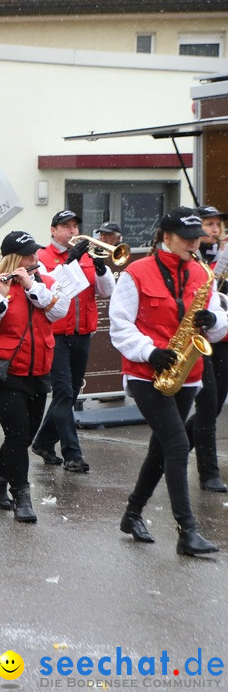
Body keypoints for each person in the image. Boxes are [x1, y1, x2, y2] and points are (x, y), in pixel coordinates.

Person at [109, 208, 225, 555]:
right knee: (176, 445)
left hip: (187, 373)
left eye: (196, 239)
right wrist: (150, 351)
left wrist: (213, 321)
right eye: (187, 238)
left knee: (161, 448)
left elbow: (219, 321)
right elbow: (120, 324)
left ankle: (132, 514)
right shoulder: (137, 272)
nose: (194, 244)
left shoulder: (202, 273)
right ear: (166, 237)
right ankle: (187, 531)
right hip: (147, 372)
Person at [0, 231, 70, 523]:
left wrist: (32, 286)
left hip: (38, 373)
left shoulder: (44, 282)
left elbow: (59, 311)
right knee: (17, 435)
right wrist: (1, 296)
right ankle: (22, 495)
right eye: (28, 256)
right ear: (13, 258)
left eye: (35, 254)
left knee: (22, 438)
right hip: (3, 374)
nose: (35, 259)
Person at [30, 210, 115, 473]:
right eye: (66, 226)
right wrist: (69, 261)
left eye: (75, 226)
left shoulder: (88, 256)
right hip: (55, 334)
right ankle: (72, 454)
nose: (72, 232)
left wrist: (100, 269)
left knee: (72, 391)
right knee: (64, 393)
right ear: (53, 230)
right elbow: (52, 290)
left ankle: (43, 442)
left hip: (82, 333)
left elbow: (107, 291)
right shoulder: (41, 259)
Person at [184, 205, 228, 493]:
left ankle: (172, 447)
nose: (214, 229)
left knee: (212, 408)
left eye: (218, 225)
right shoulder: (198, 260)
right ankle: (208, 472)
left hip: (224, 336)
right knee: (208, 402)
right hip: (205, 339)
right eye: (208, 224)